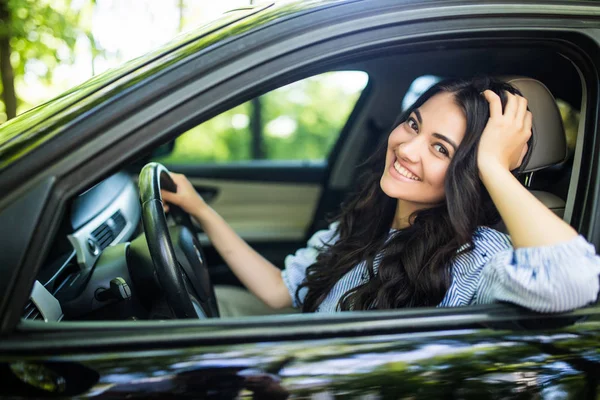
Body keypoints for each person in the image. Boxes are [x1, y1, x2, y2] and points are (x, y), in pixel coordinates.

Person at [161, 77, 600, 316]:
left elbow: (572, 283)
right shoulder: (371, 218)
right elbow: (282, 291)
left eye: (441, 148)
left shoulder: (475, 258)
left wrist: (492, 167)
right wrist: (200, 209)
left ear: (468, 172)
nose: (407, 149)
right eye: (412, 124)